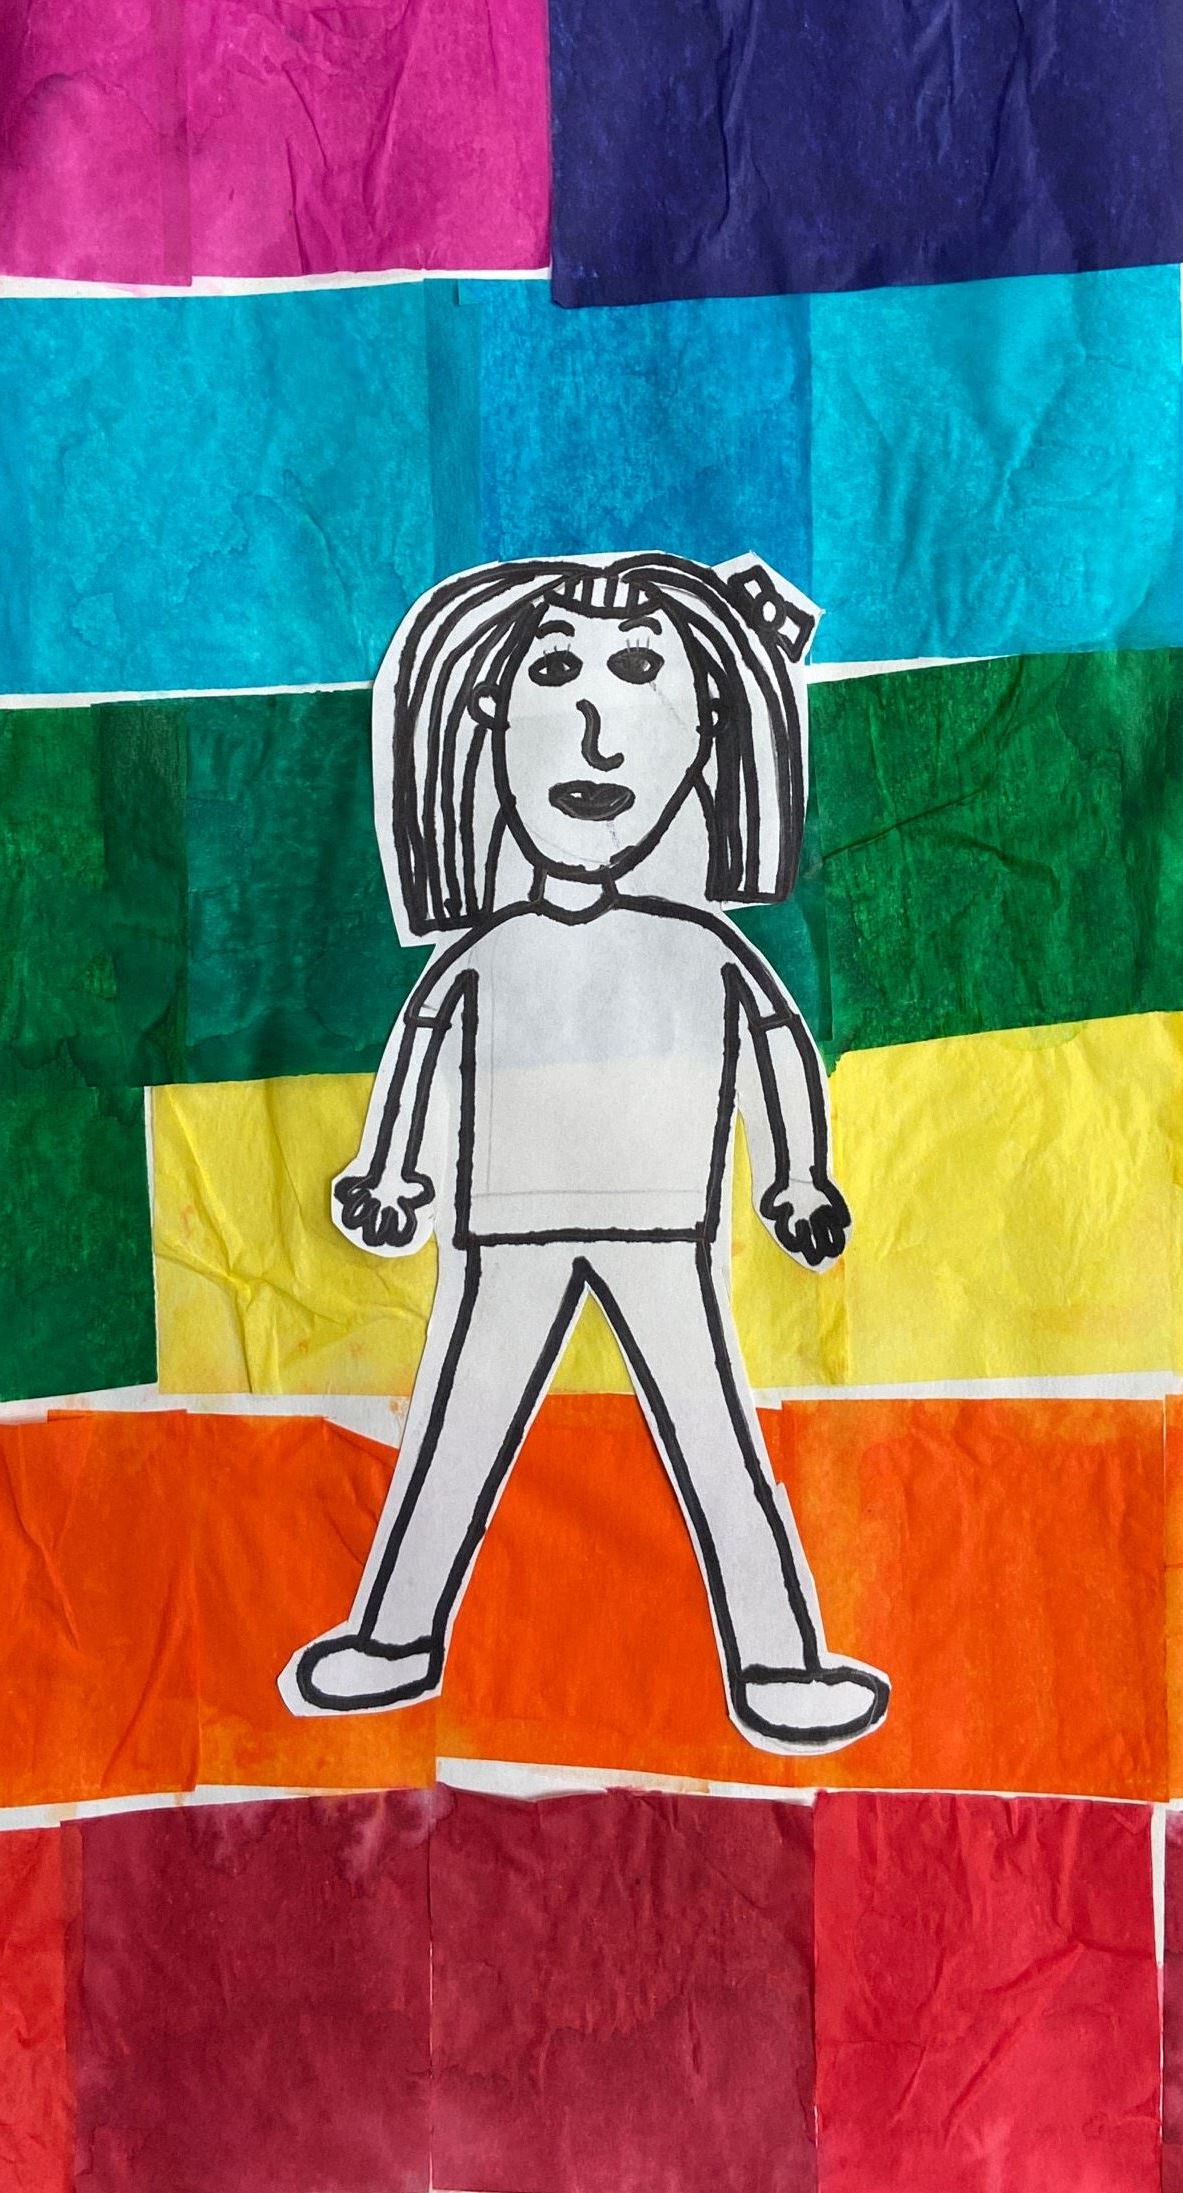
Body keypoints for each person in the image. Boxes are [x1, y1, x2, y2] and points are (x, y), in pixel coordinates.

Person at [279, 551, 890, 1754]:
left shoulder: (703, 947)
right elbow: (421, 1048)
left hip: (665, 1230)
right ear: (488, 721)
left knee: (713, 1434)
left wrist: (798, 1178)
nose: (598, 735)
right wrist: (389, 1173)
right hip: (505, 1229)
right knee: (460, 1425)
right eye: (555, 677)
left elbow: (776, 1048)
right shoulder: (485, 951)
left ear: (704, 739)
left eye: (639, 682)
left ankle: (778, 1659)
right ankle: (395, 1637)